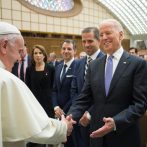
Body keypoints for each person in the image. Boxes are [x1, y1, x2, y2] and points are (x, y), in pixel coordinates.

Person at [67, 19, 147, 147]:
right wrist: (69, 119)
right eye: (101, 34)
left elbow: (140, 104)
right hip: (97, 135)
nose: (104, 38)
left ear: (121, 35)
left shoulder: (137, 64)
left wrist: (115, 122)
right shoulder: (94, 65)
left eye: (108, 33)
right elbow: (84, 97)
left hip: (125, 136)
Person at [0, 21, 76, 147]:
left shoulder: (50, 68)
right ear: (4, 46)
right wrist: (63, 128)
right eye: (19, 51)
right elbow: (27, 124)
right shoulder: (5, 80)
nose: (19, 58)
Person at [71, 27, 105, 147]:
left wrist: (89, 112)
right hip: (81, 118)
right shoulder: (79, 63)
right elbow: (74, 89)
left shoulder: (107, 61)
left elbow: (105, 93)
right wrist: (80, 110)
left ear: (99, 40)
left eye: (90, 41)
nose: (86, 45)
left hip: (99, 117)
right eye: (84, 41)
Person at [52, 40, 84, 147]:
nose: (66, 51)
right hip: (59, 112)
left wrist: (64, 111)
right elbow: (55, 89)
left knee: (75, 142)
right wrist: (56, 107)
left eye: (69, 49)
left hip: (72, 113)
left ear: (74, 51)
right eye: (64, 49)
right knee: (65, 142)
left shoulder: (78, 67)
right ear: (61, 51)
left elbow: (77, 92)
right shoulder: (58, 67)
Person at [25, 45, 55, 147]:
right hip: (35, 103)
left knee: (50, 127)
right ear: (33, 55)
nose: (38, 55)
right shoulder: (30, 69)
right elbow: (28, 87)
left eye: (40, 53)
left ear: (44, 55)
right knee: (39, 127)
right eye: (35, 53)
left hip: (48, 102)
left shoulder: (50, 68)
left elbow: (54, 87)